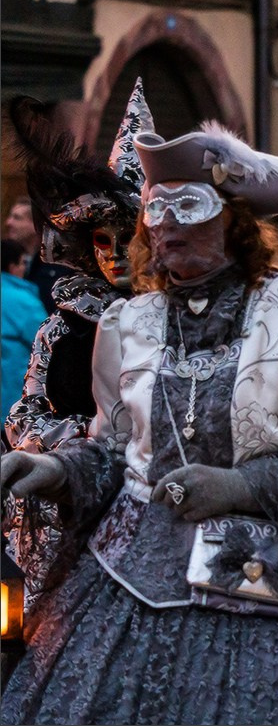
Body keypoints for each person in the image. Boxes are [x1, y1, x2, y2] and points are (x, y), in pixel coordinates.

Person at [0, 121, 278, 724]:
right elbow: (117, 453)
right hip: (130, 582)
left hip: (264, 589)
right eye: (156, 207)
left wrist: (242, 486)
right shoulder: (128, 325)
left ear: (234, 219)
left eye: (190, 204)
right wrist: (50, 467)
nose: (166, 223)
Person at [3, 82, 150, 620]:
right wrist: (77, 450)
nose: (115, 256)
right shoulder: (61, 327)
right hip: (76, 515)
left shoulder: (184, 323)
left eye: (128, 238)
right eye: (102, 241)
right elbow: (27, 411)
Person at [4, 196, 74, 315]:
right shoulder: (6, 260)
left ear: (35, 224)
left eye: (17, 218)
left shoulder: (57, 266)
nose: (8, 222)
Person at [2, 238, 46, 421]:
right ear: (13, 267)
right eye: (22, 263)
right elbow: (47, 343)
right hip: (11, 402)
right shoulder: (22, 300)